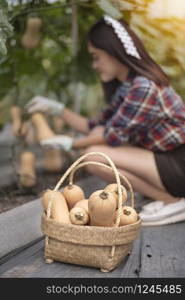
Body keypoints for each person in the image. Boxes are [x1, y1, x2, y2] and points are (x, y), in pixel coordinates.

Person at [26, 15, 185, 226]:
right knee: (94, 156)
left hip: (179, 162)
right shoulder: (127, 86)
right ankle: (169, 199)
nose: (94, 64)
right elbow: (94, 126)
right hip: (166, 162)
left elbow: (110, 135)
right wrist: (57, 109)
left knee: (94, 155)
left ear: (113, 51)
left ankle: (173, 200)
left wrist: (69, 142)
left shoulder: (143, 87)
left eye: (96, 56)